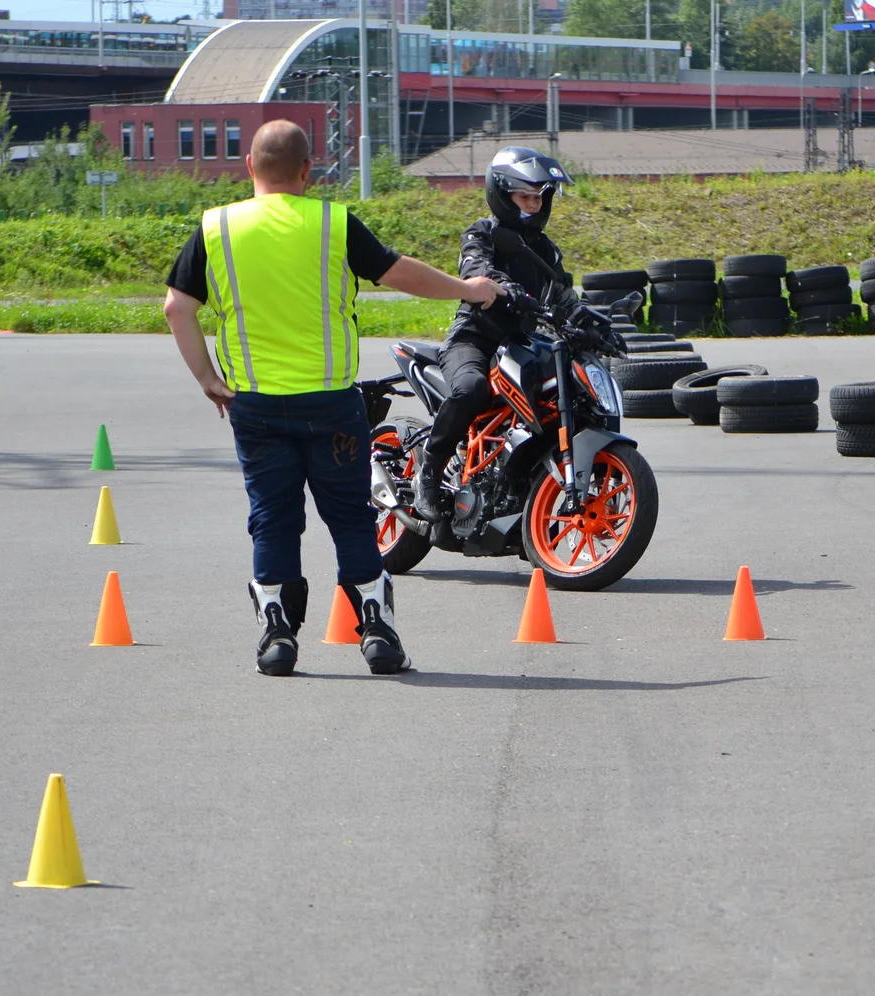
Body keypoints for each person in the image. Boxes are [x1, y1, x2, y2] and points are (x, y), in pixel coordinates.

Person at [161, 119, 500, 677]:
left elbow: (178, 308)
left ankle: (277, 638)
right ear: (306, 171)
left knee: (272, 520)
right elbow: (399, 273)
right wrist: (469, 289)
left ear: (249, 167)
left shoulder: (214, 228)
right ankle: (377, 633)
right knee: (349, 518)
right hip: (332, 406)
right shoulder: (333, 224)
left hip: (257, 405)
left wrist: (206, 377)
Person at [413, 147, 603, 523]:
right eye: (524, 197)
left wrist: (594, 323)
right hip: (474, 339)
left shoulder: (545, 249)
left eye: (538, 197)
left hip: (520, 346)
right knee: (470, 388)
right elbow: (475, 268)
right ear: (503, 195)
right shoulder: (482, 233)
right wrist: (500, 285)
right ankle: (428, 475)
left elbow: (563, 295)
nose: (532, 205)